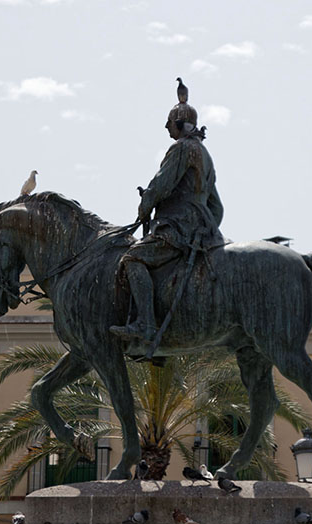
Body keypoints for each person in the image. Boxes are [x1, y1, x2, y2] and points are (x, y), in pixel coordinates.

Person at [110, 82, 224, 347]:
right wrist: (205, 233)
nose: (166, 127)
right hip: (199, 230)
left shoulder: (182, 149)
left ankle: (146, 324)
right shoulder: (205, 155)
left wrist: (144, 208)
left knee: (133, 258)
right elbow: (217, 207)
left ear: (179, 123)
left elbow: (160, 185)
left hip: (176, 229)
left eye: (169, 122)